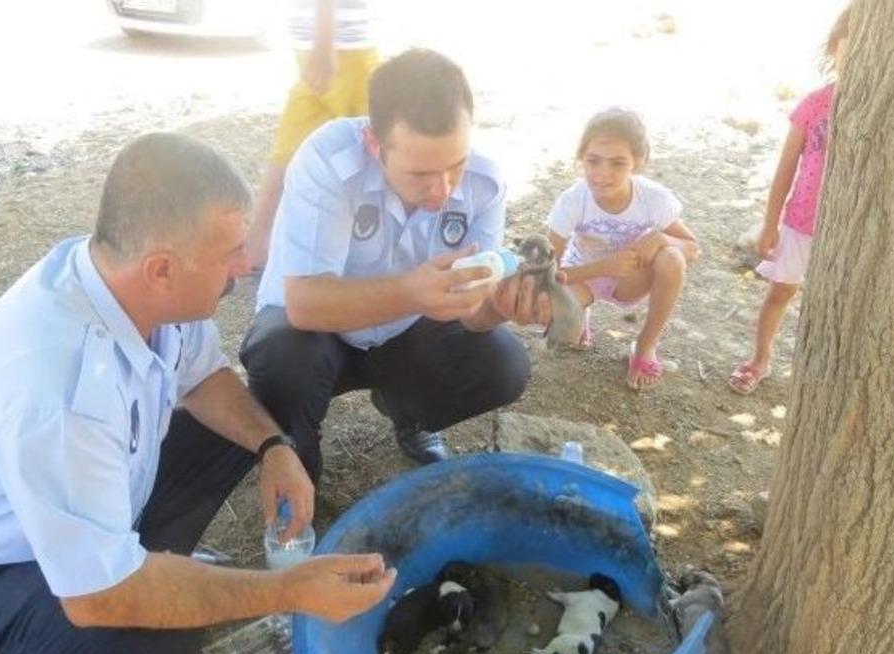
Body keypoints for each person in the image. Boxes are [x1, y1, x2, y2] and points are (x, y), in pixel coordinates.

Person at [0, 133, 395, 654]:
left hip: (78, 495)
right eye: (230, 253)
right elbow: (98, 597)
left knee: (254, 418)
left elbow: (204, 376)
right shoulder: (61, 393)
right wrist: (289, 589)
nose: (247, 263)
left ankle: (146, 558)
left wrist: (274, 447)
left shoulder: (123, 282)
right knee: (154, 645)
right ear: (161, 269)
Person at [240, 48, 550, 482]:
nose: (442, 190)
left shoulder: (486, 183)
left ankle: (410, 415)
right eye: (420, 173)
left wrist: (498, 307)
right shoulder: (328, 161)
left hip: (407, 335)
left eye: (454, 166)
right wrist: (411, 291)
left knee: (503, 363)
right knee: (282, 355)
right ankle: (296, 470)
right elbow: (305, 304)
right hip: (316, 332)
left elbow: (472, 311)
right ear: (374, 143)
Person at [728, 5, 851, 395]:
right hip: (801, 222)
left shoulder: (881, 112)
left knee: (838, 303)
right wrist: (770, 223)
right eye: (851, 44)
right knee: (781, 291)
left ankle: (825, 374)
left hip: (851, 230)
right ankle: (760, 358)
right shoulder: (815, 104)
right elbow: (785, 168)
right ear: (834, 48)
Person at [546, 107, 699, 390]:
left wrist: (665, 240)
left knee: (673, 259)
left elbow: (692, 248)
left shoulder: (653, 197)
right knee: (546, 309)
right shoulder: (571, 201)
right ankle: (581, 316)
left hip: (632, 277)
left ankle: (644, 346)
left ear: (637, 163)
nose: (603, 174)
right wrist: (603, 268)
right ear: (581, 158)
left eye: (617, 163)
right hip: (583, 274)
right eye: (593, 161)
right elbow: (547, 272)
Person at [246, 0, 380, 271]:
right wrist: (324, 43)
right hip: (343, 49)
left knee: (291, 149)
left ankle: (256, 247)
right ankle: (256, 247)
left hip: (322, 45)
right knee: (378, 146)